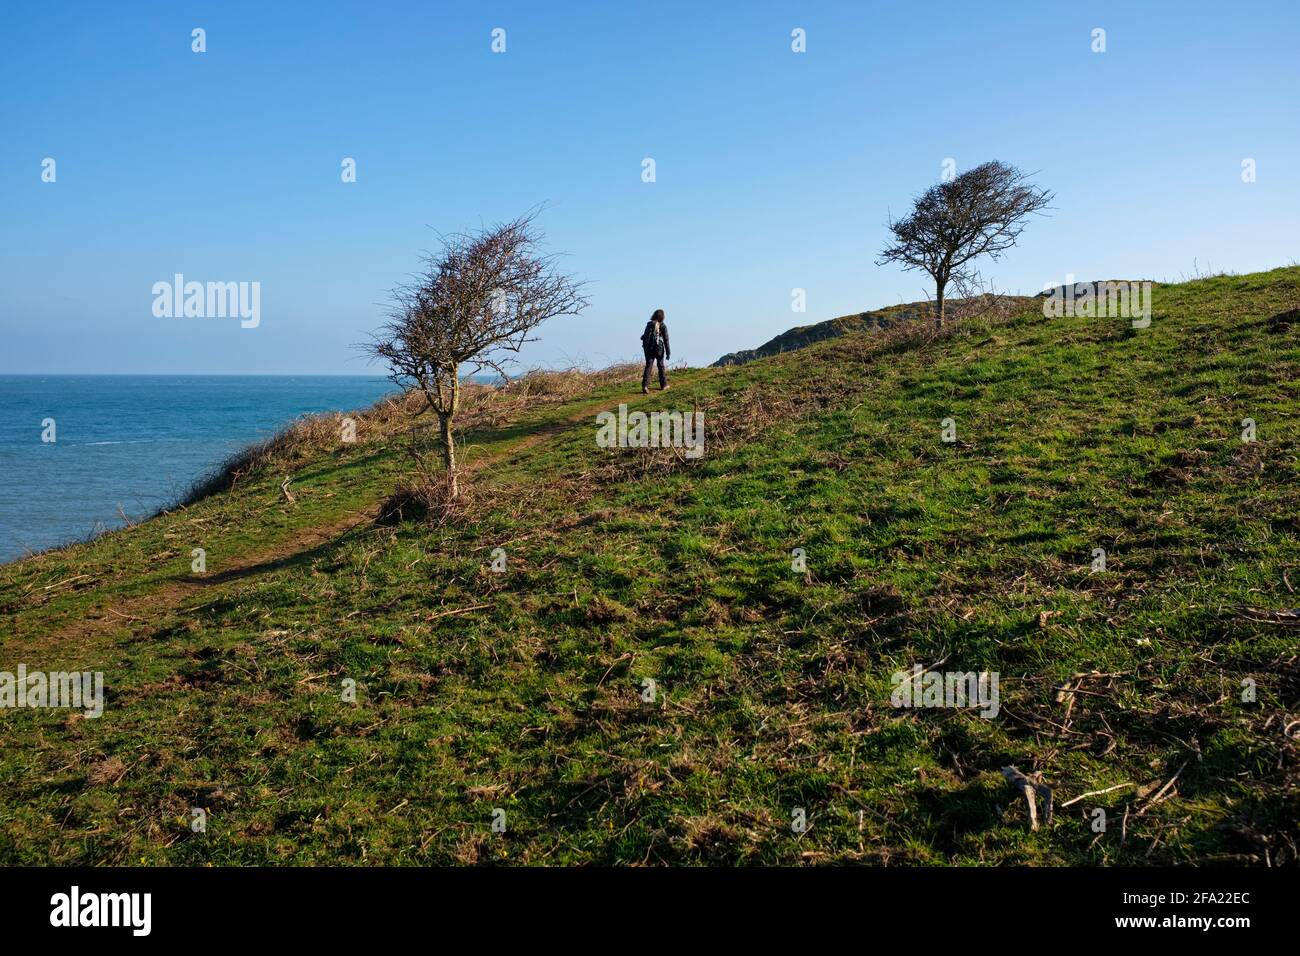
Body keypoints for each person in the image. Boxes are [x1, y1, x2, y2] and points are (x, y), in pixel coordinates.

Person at [640, 309, 671, 393]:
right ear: (662, 317)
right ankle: (664, 385)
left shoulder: (649, 324)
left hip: (649, 348)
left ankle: (645, 386)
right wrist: (668, 352)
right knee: (660, 366)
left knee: (648, 366)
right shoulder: (663, 326)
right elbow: (666, 340)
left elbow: (644, 336)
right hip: (659, 349)